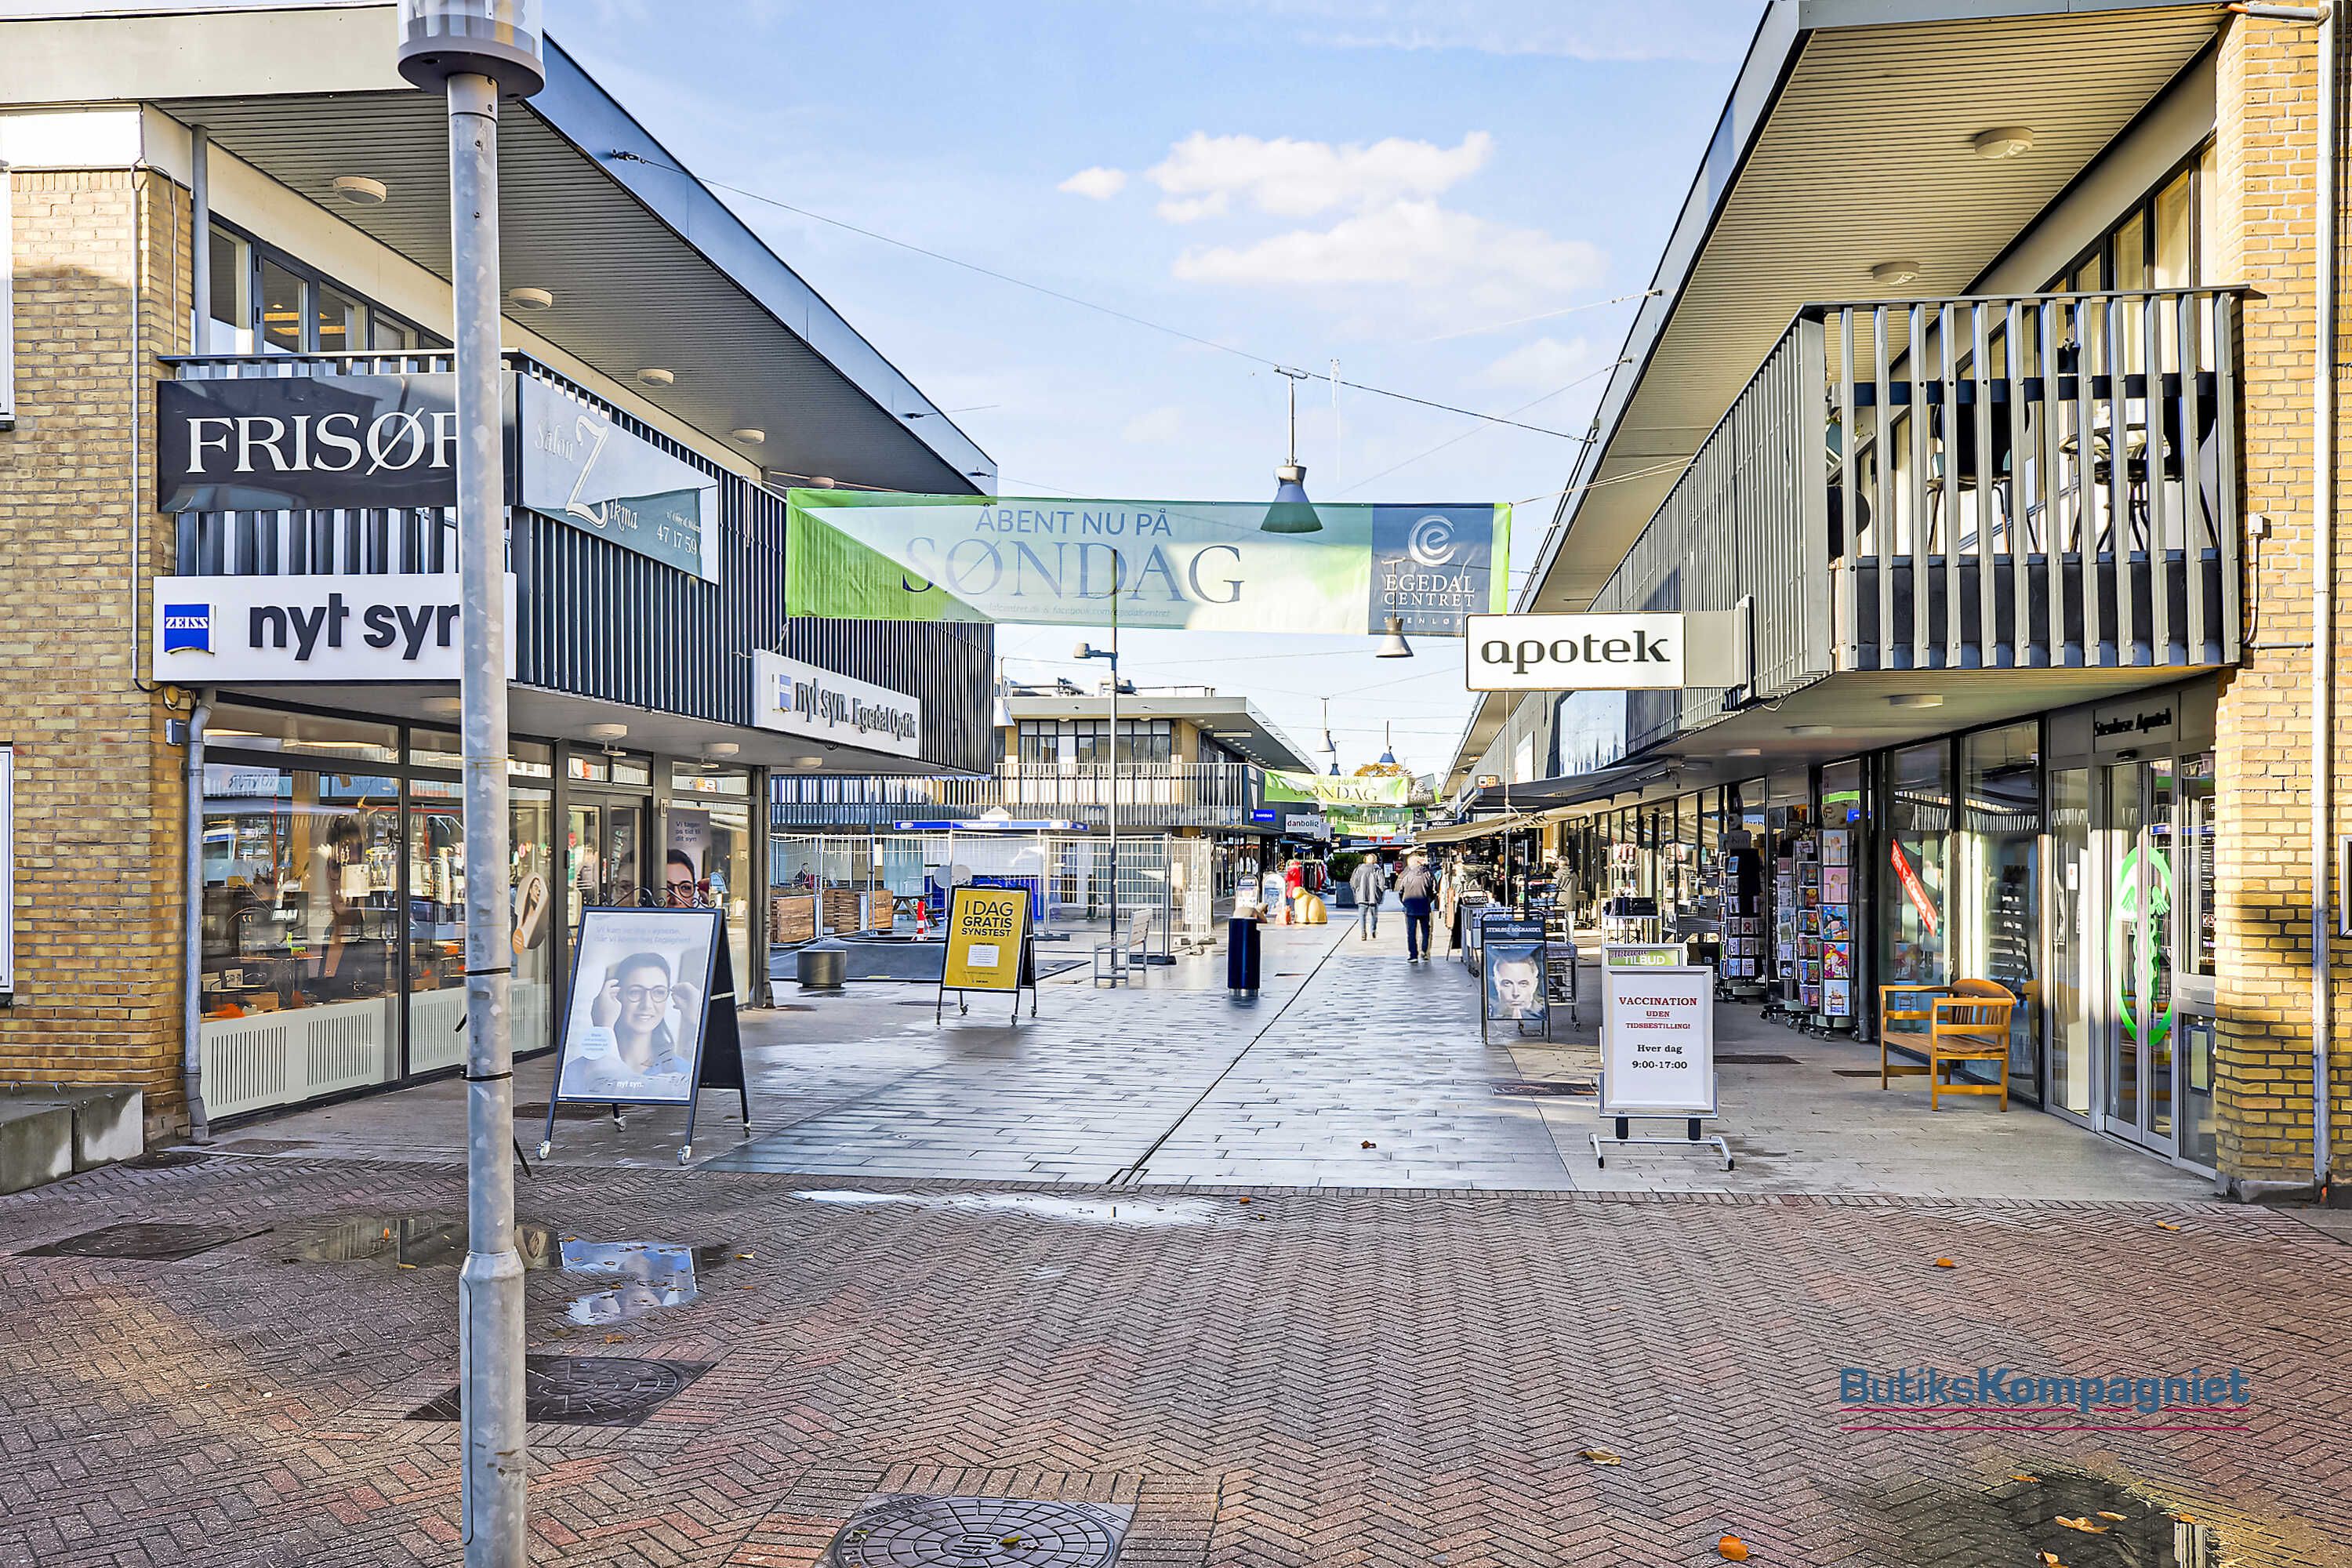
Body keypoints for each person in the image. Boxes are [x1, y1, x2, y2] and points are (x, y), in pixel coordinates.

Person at [566, 949, 699, 1096]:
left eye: (659, 992)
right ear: (615, 996)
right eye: (635, 992)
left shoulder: (685, 1070)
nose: (647, 1004)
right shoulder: (575, 1072)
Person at [1395, 853, 1436, 962]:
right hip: (1424, 906)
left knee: (1411, 932)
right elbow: (1433, 891)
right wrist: (1428, 900)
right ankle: (1425, 952)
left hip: (1410, 908)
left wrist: (1405, 902)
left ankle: (1413, 955)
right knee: (1426, 930)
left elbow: (1400, 891)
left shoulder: (1406, 875)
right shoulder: (1428, 874)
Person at [1349, 855, 1386, 939]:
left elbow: (1353, 882)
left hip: (1362, 896)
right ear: (1374, 860)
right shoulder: (1377, 869)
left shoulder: (1359, 869)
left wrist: (1357, 890)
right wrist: (1381, 892)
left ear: (1365, 860)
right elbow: (1381, 883)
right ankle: (1373, 930)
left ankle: (1363, 932)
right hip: (1374, 897)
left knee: (1362, 915)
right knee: (1374, 916)